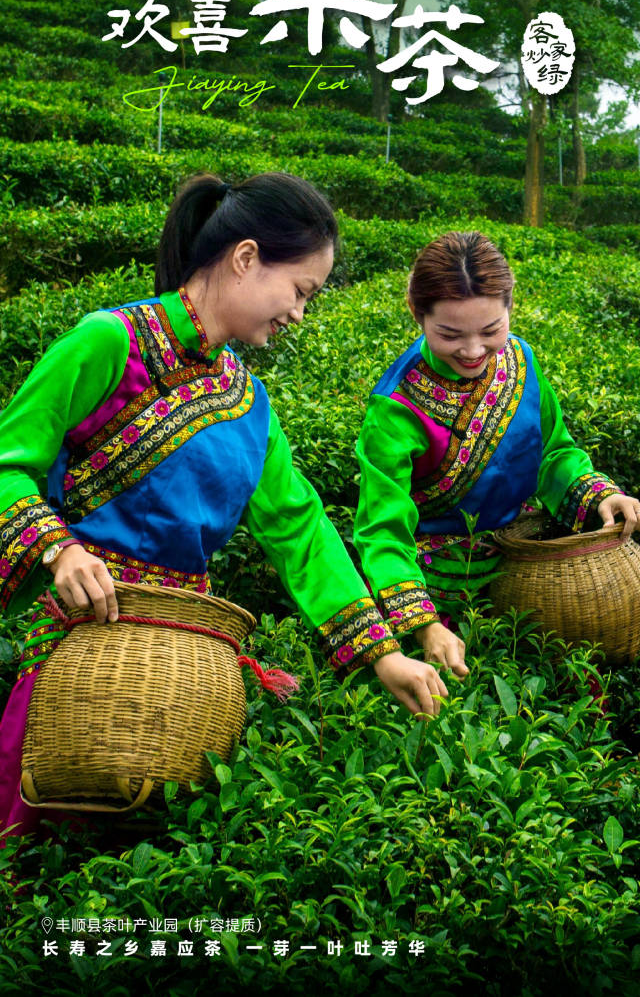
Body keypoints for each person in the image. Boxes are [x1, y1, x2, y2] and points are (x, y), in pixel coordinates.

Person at [0, 172, 447, 839]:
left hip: (186, 668)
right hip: (80, 651)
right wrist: (59, 549)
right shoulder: (107, 342)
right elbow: (10, 461)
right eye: (301, 291)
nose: (300, 313)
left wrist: (382, 652)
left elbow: (301, 530)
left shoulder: (250, 405)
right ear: (245, 258)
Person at [354, 231, 640, 676]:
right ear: (418, 314)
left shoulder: (521, 360)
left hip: (530, 568)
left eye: (491, 331)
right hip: (441, 593)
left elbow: (551, 452)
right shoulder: (395, 409)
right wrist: (424, 624)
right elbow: (383, 531)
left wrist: (598, 493)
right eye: (449, 334)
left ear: (510, 307)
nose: (472, 351)